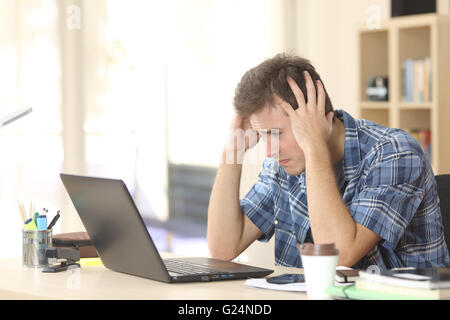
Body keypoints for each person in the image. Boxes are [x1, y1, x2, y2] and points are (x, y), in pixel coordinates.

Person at [207, 53, 449, 270]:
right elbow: (223, 250)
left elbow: (338, 256)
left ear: (318, 117)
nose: (269, 151)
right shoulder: (282, 165)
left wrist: (314, 148)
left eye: (276, 133)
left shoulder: (394, 152)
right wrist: (233, 151)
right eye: (262, 135)